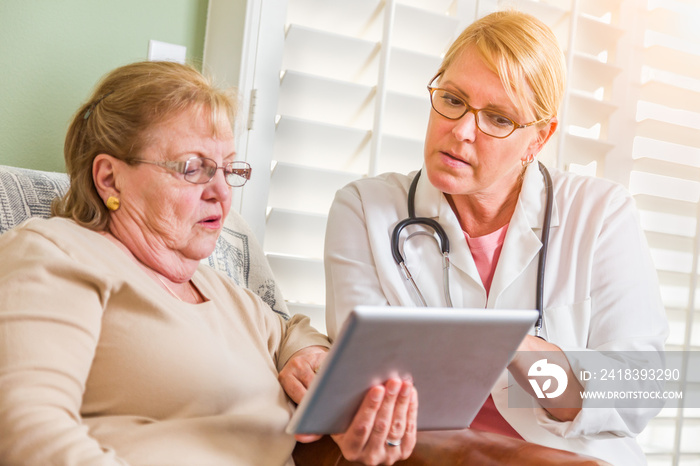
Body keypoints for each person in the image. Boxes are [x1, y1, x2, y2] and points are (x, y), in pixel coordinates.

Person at [0, 60, 418, 466]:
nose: (221, 191)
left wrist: (305, 354)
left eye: (229, 169)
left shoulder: (227, 293)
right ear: (109, 178)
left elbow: (291, 329)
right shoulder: (57, 255)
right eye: (193, 168)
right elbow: (28, 431)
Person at [324, 10, 668, 465]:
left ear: (538, 139)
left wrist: (515, 345)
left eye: (499, 119)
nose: (461, 131)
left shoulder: (600, 213)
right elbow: (365, 387)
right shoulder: (366, 209)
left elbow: (637, 391)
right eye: (452, 99)